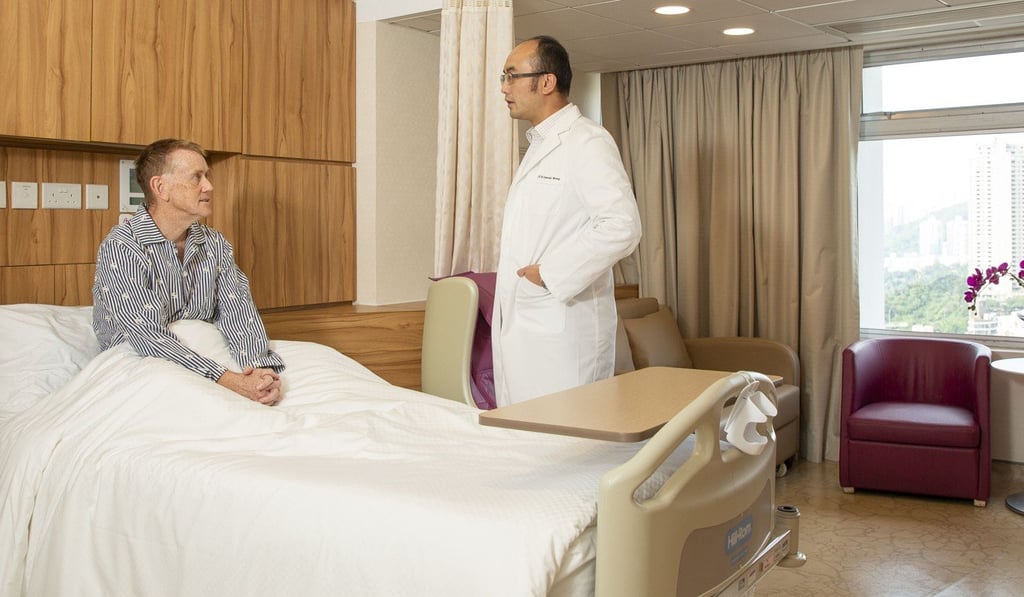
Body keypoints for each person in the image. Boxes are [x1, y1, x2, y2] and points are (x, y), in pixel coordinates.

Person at [492, 36, 642, 406]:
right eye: (504, 77)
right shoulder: (540, 146)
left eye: (512, 76)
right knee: (529, 435)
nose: (504, 87)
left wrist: (549, 274)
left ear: (546, 82)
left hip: (563, 324)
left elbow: (621, 225)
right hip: (528, 322)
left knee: (569, 440)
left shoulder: (587, 141)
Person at [92, 138, 285, 405]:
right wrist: (229, 380)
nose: (209, 186)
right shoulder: (122, 247)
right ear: (161, 187)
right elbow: (147, 336)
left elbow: (238, 311)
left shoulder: (215, 244)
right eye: (197, 177)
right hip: (142, 363)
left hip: (209, 355)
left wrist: (259, 370)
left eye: (206, 175)